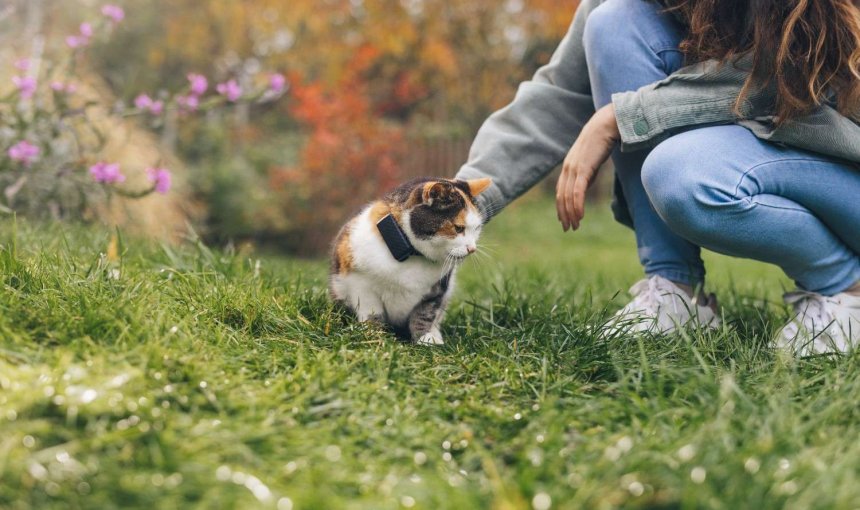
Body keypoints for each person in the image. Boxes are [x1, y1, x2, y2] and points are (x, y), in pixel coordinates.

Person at [455, 0, 860, 355]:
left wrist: (622, 115)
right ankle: (675, 294)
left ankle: (848, 292)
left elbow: (795, 72)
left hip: (846, 164)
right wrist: (457, 199)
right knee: (614, 21)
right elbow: (561, 92)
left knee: (685, 176)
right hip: (777, 150)